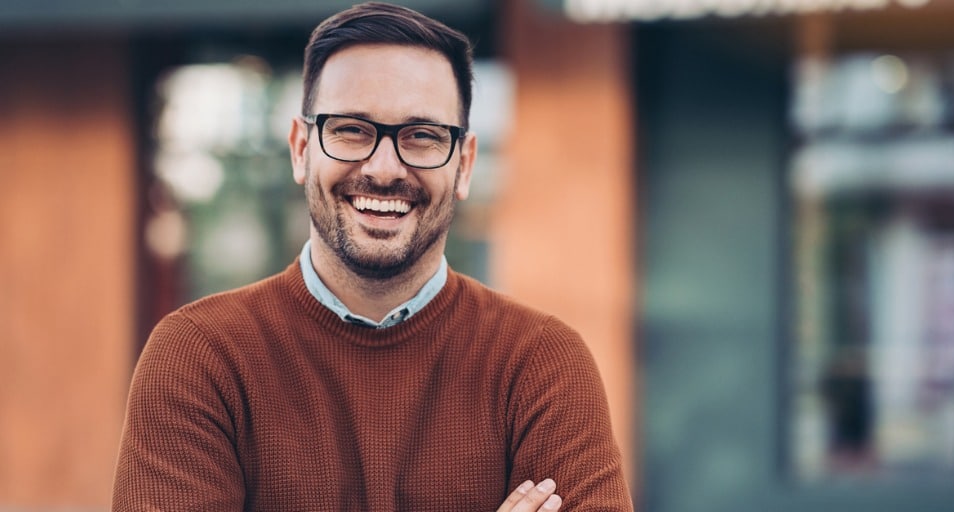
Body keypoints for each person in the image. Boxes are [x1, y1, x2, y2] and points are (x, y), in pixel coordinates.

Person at [112, 2, 632, 511]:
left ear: (465, 164)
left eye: (423, 136)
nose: (384, 168)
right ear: (301, 148)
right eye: (351, 130)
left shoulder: (540, 364)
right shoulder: (200, 358)